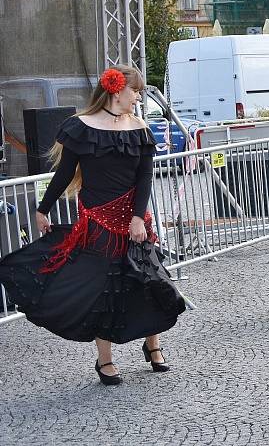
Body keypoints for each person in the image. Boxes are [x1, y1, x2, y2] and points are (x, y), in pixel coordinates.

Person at [0, 65, 186, 385]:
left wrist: (138, 217)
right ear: (116, 91)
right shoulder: (79, 127)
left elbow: (144, 178)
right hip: (98, 222)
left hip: (135, 220)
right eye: (135, 90)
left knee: (148, 281)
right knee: (104, 287)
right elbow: (64, 174)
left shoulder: (139, 127)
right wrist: (43, 209)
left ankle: (152, 346)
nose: (138, 96)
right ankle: (105, 361)